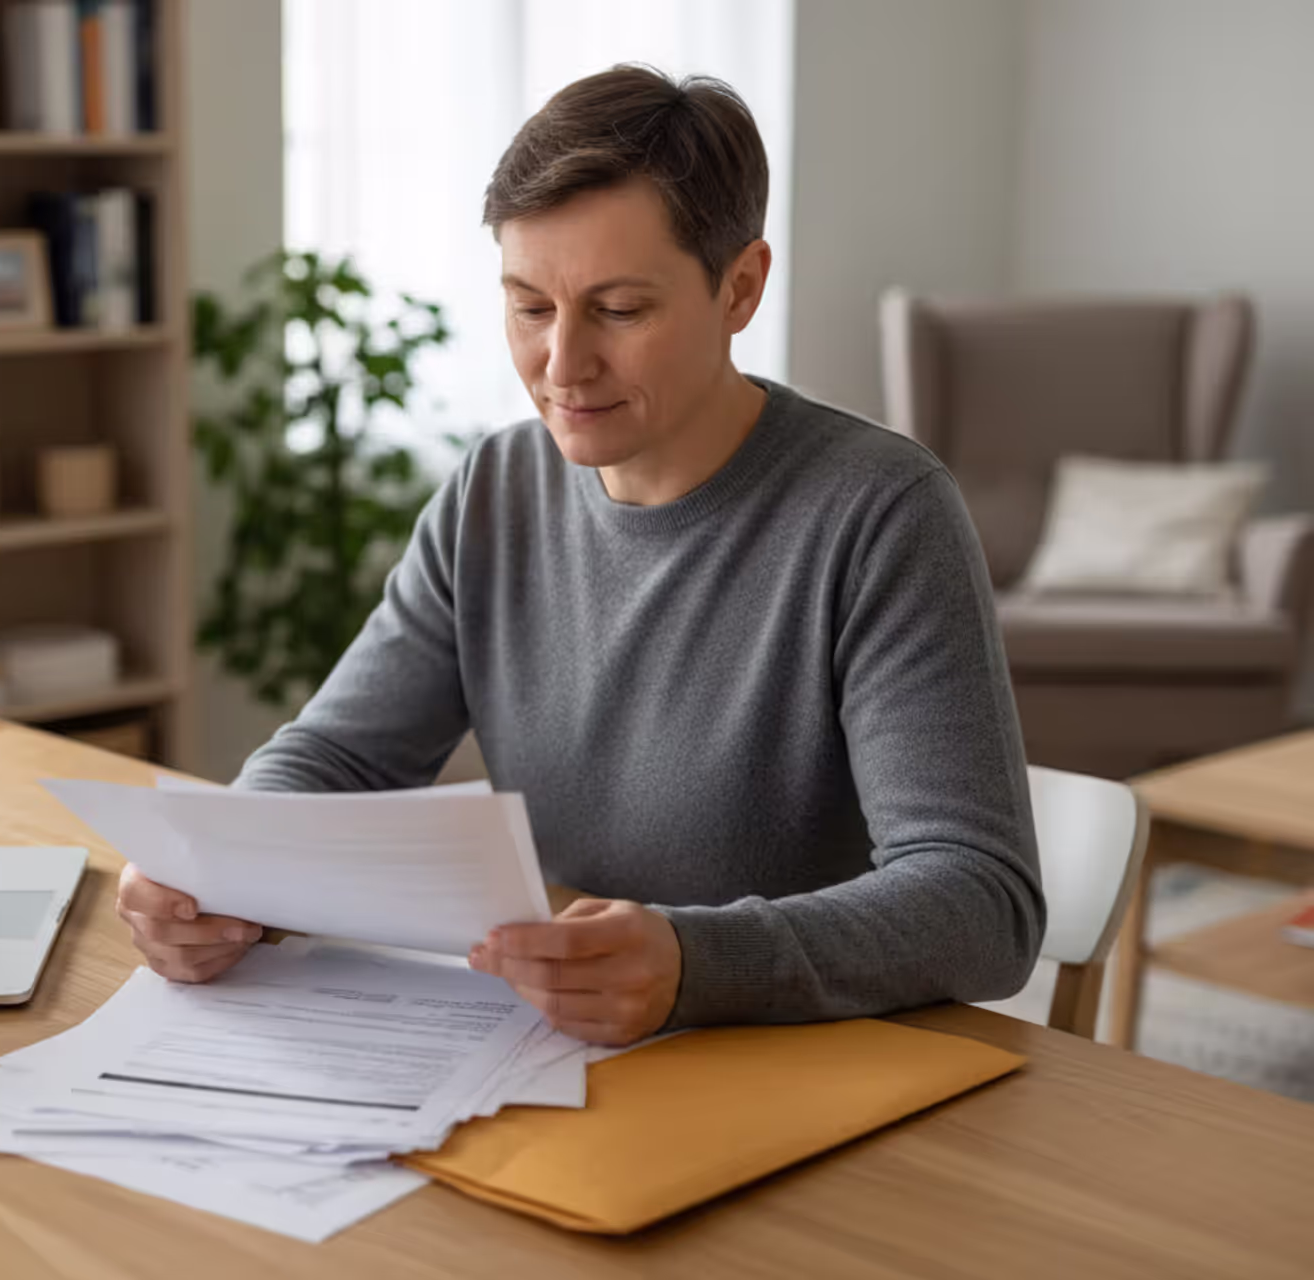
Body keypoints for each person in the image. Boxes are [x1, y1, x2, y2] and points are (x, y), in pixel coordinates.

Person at [118, 65, 1045, 1045]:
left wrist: (694, 961)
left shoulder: (880, 513)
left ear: (741, 287)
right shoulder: (496, 490)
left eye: (619, 310)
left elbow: (982, 903)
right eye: (528, 307)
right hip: (562, 1045)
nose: (561, 366)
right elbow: (340, 753)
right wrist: (220, 870)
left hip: (794, 1057)